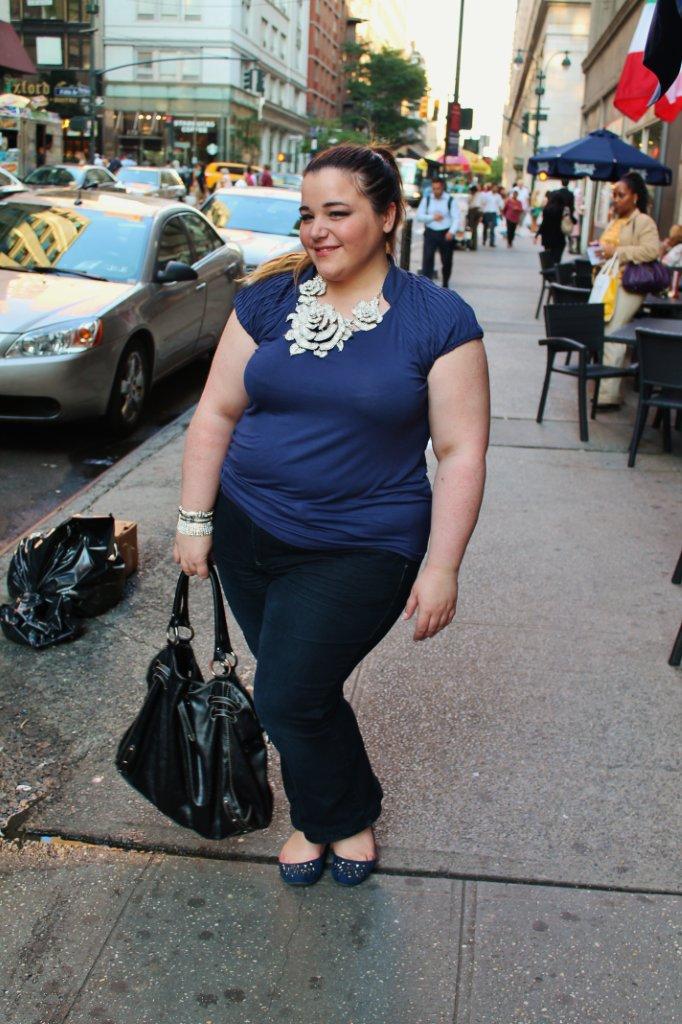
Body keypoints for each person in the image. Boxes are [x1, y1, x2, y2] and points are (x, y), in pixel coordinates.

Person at [173, 143, 489, 889]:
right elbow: (216, 411)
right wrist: (194, 518)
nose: (317, 230)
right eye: (307, 215)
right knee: (303, 690)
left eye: (338, 213)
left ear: (389, 216)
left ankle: (331, 817)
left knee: (286, 694)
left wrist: (443, 567)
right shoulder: (269, 299)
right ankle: (341, 809)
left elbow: (461, 451)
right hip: (247, 530)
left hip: (362, 544)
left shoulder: (437, 319)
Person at [594, 171, 661, 408]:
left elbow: (652, 250)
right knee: (607, 332)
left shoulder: (642, 221)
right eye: (614, 195)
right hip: (609, 284)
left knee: (614, 333)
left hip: (629, 284)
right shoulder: (616, 220)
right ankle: (610, 389)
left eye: (621, 195)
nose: (616, 199)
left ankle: (607, 395)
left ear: (635, 197)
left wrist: (617, 252)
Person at [416, 177, 456, 289]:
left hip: (445, 233)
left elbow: (456, 218)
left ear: (442, 188)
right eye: (434, 188)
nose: (436, 191)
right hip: (431, 232)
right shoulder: (427, 199)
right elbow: (419, 216)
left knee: (446, 260)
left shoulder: (450, 200)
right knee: (428, 258)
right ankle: (427, 285)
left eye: (438, 188)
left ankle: (445, 283)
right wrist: (432, 217)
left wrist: (451, 232)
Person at [535, 191, 566, 265]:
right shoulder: (563, 210)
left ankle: (549, 270)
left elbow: (544, 223)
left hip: (547, 237)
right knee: (557, 258)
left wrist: (537, 234)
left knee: (548, 257)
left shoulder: (547, 209)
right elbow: (573, 221)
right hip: (559, 237)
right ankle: (556, 268)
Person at [467, 184, 483, 250]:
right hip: (472, 211)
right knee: (472, 229)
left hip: (475, 211)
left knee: (473, 229)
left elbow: (481, 205)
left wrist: (481, 215)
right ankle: (471, 244)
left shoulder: (479, 196)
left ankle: (473, 245)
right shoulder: (471, 196)